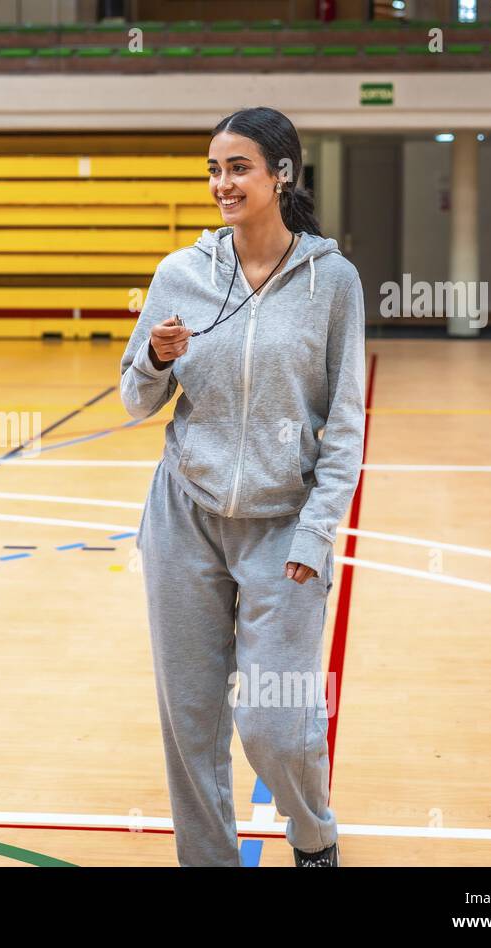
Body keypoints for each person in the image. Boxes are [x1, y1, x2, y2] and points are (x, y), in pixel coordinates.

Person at [120, 106, 366, 867]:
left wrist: (318, 534)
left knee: (273, 722)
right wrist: (156, 360)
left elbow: (348, 424)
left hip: (282, 529)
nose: (223, 183)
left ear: (281, 174)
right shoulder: (179, 274)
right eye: (214, 170)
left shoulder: (334, 283)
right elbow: (135, 400)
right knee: (190, 721)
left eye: (239, 168)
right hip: (183, 519)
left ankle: (313, 833)